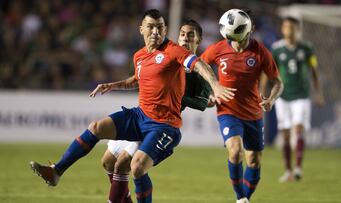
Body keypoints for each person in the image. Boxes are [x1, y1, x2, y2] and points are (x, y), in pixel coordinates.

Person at [29, 9, 235, 203]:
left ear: (165, 30)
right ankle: (56, 172)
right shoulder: (139, 56)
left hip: (163, 125)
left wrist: (215, 85)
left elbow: (198, 64)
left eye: (160, 27)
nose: (156, 32)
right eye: (151, 27)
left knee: (133, 167)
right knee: (98, 133)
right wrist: (113, 85)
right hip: (140, 116)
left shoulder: (173, 51)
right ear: (142, 29)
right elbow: (139, 79)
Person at [101, 19, 211, 203]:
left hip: (159, 123)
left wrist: (176, 95)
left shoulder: (199, 70)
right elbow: (142, 77)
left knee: (127, 165)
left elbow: (202, 102)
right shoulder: (168, 55)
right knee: (107, 161)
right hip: (141, 115)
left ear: (199, 41)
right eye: (182, 34)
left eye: (191, 35)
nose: (185, 38)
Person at [200, 9, 283, 203]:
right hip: (228, 111)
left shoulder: (261, 52)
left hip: (253, 113)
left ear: (250, 29)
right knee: (235, 151)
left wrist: (271, 98)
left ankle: (245, 198)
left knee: (253, 160)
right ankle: (240, 197)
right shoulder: (218, 49)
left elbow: (278, 82)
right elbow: (199, 67)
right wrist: (209, 94)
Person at [270, 16, 325, 182]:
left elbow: (314, 71)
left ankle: (298, 168)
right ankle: (288, 170)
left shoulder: (307, 48)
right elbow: (270, 71)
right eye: (286, 27)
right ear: (282, 29)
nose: (289, 30)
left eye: (292, 27)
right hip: (283, 96)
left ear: (297, 30)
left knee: (298, 128)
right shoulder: (276, 49)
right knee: (285, 134)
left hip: (301, 95)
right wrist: (264, 91)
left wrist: (318, 92)